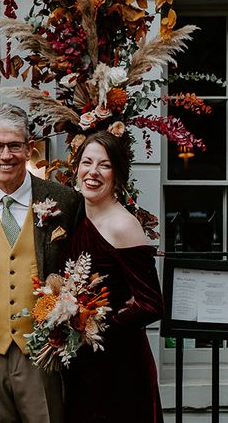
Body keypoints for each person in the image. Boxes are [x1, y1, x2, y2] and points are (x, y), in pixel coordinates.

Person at [0, 104, 83, 423]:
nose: (6, 155)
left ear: (29, 148)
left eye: (14, 145)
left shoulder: (65, 201)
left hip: (43, 352)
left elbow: (82, 271)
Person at [63, 130, 164, 422]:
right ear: (77, 168)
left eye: (104, 165)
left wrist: (94, 326)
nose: (92, 172)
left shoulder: (123, 225)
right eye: (87, 162)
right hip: (83, 365)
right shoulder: (77, 216)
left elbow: (151, 303)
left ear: (117, 174)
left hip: (120, 365)